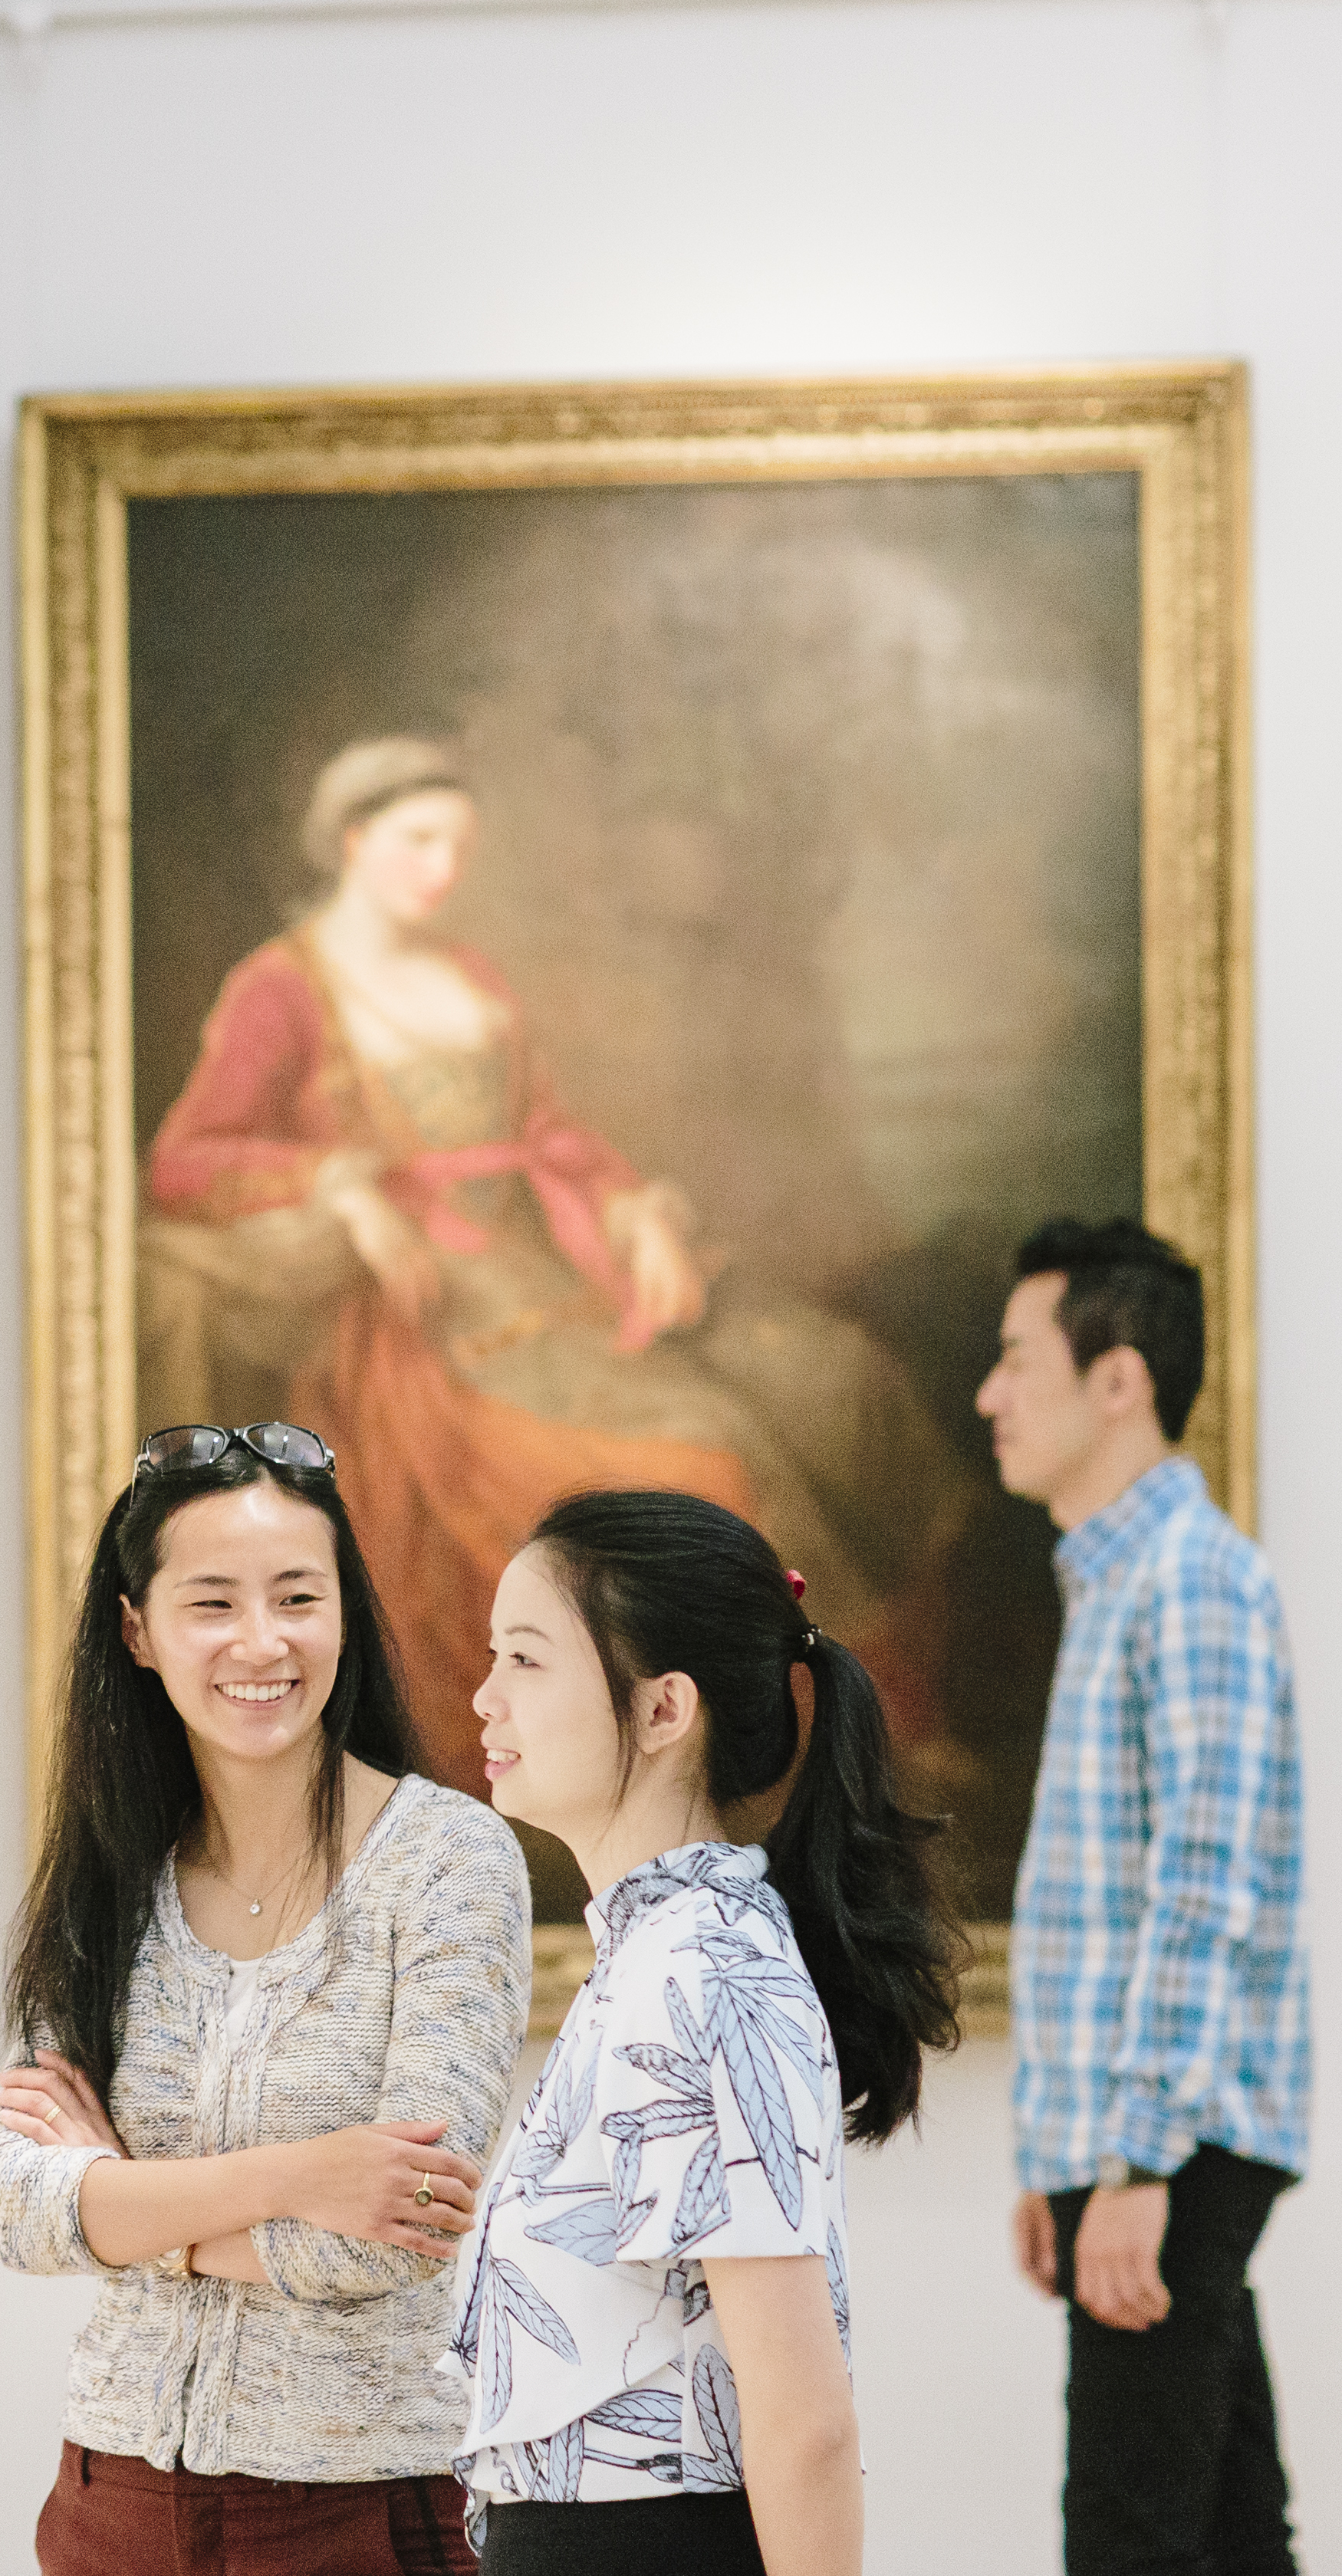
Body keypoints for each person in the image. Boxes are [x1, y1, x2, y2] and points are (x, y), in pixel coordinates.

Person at [143, 735, 970, 1798]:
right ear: (354, 841)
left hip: (537, 1273)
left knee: (804, 1399)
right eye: (419, 841)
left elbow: (548, 1132)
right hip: (423, 1322)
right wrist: (342, 1190)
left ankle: (858, 1740)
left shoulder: (468, 975)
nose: (443, 869)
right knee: (699, 1461)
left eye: (459, 846)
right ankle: (751, 1758)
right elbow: (187, 1159)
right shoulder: (282, 985)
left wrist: (633, 1210)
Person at [0, 1420, 532, 2576]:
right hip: (109, 2506)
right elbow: (20, 2206)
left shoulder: (448, 1861)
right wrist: (304, 2173)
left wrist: (122, 2202)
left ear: (345, 1614)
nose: (261, 1641)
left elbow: (401, 2235)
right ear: (138, 1629)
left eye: (298, 1596)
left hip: (360, 2522)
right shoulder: (105, 1873)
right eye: (212, 1602)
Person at [454, 1488, 965, 2576]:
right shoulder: (656, 1955)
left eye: (525, 1659)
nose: (485, 1695)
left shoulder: (704, 1969)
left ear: (664, 1706)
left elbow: (805, 2420)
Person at [975, 1218, 1308, 2576]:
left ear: (1120, 1380)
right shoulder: (1125, 1579)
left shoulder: (1191, 1577)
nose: (988, 1394)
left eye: (1014, 1357)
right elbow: (1122, 1903)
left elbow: (1206, 1891)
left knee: (1130, 2564)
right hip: (1144, 2146)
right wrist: (1068, 2161)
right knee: (1229, 2545)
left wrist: (1135, 2164)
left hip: (1174, 2145)